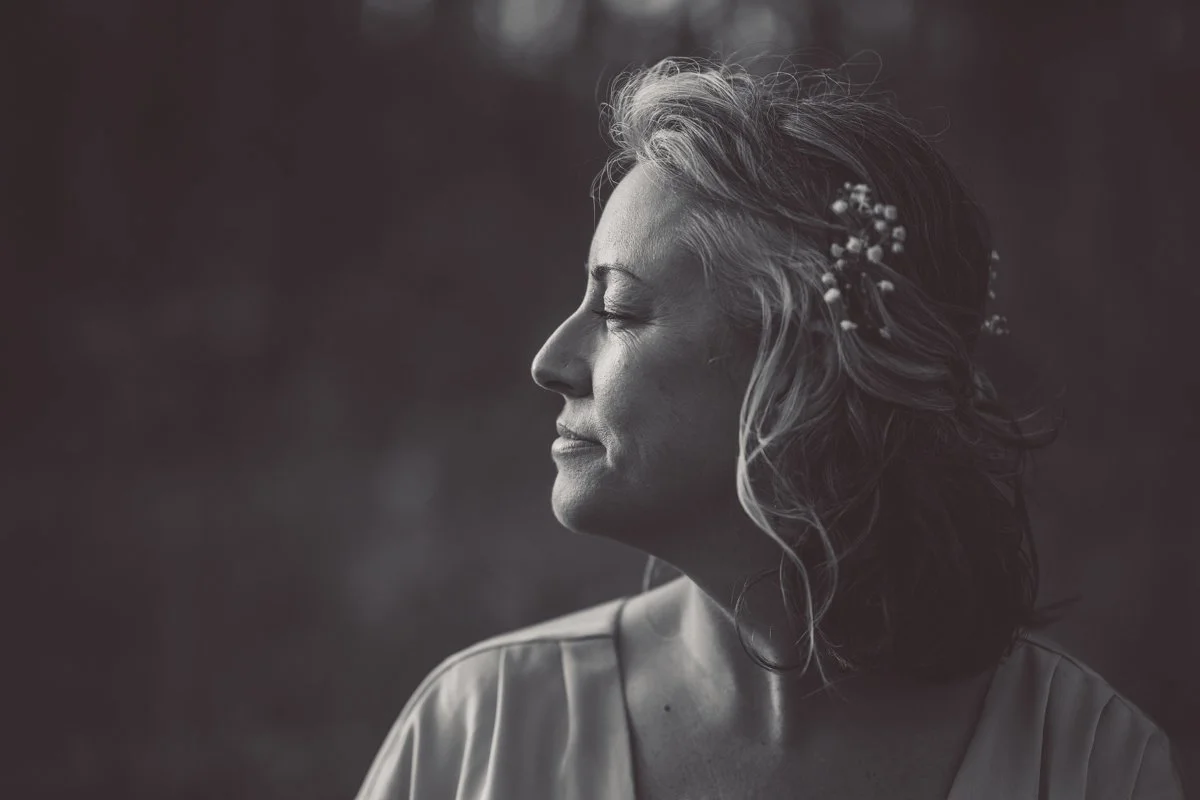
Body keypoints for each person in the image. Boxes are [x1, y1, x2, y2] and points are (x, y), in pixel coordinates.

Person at [354, 57, 1185, 799]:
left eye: (617, 308)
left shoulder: (1090, 765)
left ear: (800, 366)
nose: (548, 359)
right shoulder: (480, 735)